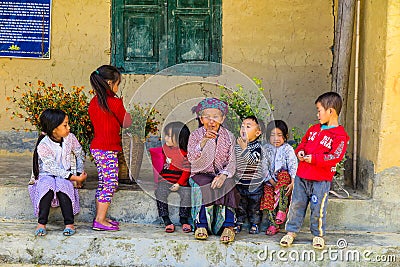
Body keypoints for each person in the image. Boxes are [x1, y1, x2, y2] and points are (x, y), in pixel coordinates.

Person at [279, 92, 349, 249]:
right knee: (296, 204)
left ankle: (318, 235)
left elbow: (335, 156)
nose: (317, 114)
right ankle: (290, 232)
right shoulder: (313, 130)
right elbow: (302, 144)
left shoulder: (340, 135)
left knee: (318, 208)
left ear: (330, 111)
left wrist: (315, 159)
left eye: (319, 110)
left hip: (321, 180)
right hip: (302, 177)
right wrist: (301, 152)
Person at [187, 97, 239, 243]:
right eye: (207, 117)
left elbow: (232, 161)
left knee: (229, 185)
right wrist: (203, 142)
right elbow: (191, 158)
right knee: (205, 185)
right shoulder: (195, 135)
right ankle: (201, 225)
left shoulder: (229, 136)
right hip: (200, 174)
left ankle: (229, 227)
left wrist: (223, 175)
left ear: (222, 119)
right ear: (201, 119)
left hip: (221, 173)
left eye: (215, 117)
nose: (212, 121)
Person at [28, 109, 87, 236]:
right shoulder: (43, 145)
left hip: (65, 173)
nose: (69, 127)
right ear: (54, 129)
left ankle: (69, 223)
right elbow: (51, 168)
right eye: (65, 125)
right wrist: (73, 177)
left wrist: (79, 173)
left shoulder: (70, 138)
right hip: (46, 174)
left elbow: (79, 153)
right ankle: (41, 223)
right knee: (46, 186)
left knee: (63, 186)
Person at [89, 65, 132, 231]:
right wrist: (122, 104)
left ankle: (100, 217)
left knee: (104, 183)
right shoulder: (113, 103)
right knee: (110, 184)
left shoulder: (94, 102)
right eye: (117, 84)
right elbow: (127, 123)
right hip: (107, 150)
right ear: (109, 83)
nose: (117, 87)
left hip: (98, 148)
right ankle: (100, 220)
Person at [260, 120, 298, 236]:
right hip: (270, 181)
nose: (276, 138)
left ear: (285, 137)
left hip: (284, 182)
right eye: (272, 135)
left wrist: (293, 181)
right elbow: (263, 166)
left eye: (279, 135)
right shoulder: (266, 149)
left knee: (284, 175)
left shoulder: (287, 149)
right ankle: (273, 224)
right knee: (268, 196)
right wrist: (270, 181)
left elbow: (293, 165)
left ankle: (282, 210)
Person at [154, 122, 191, 233]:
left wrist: (179, 183)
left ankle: (184, 219)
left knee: (187, 194)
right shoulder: (165, 148)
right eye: (166, 135)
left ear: (179, 138)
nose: (166, 138)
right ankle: (166, 220)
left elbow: (186, 171)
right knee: (160, 193)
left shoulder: (185, 154)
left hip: (180, 181)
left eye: (169, 136)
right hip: (165, 180)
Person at [234, 115, 265, 235]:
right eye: (242, 126)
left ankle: (255, 223)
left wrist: (244, 149)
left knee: (254, 207)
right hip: (240, 183)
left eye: (248, 126)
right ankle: (239, 222)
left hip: (255, 184)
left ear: (257, 132)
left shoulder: (258, 147)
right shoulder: (237, 145)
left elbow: (253, 161)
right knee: (240, 206)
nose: (243, 129)